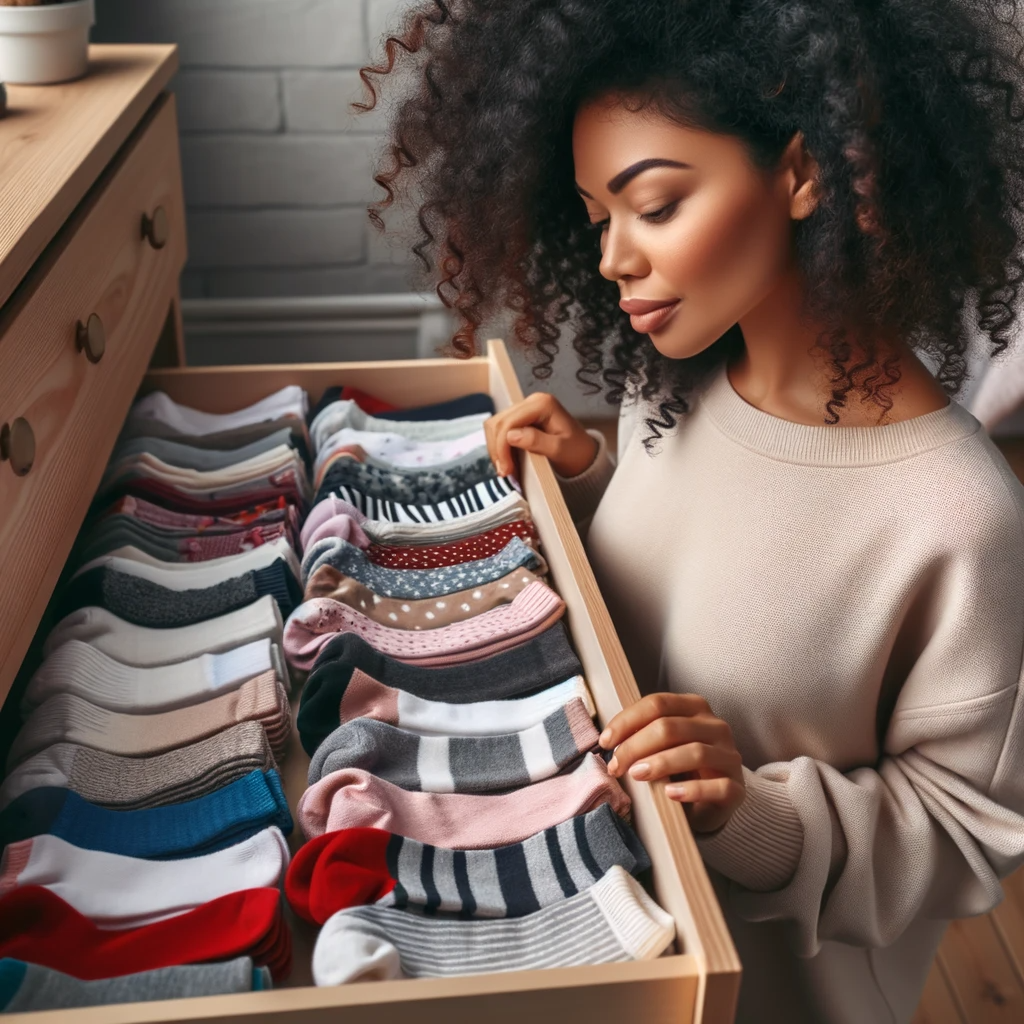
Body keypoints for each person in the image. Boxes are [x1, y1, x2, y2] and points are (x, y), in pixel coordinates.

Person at [356, 2, 1024, 1020]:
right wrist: (584, 482)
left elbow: (967, 833)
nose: (614, 258)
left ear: (803, 175)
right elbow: (691, 577)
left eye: (655, 204)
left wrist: (746, 809)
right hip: (589, 939)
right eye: (597, 219)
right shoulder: (672, 391)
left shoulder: (956, 515)